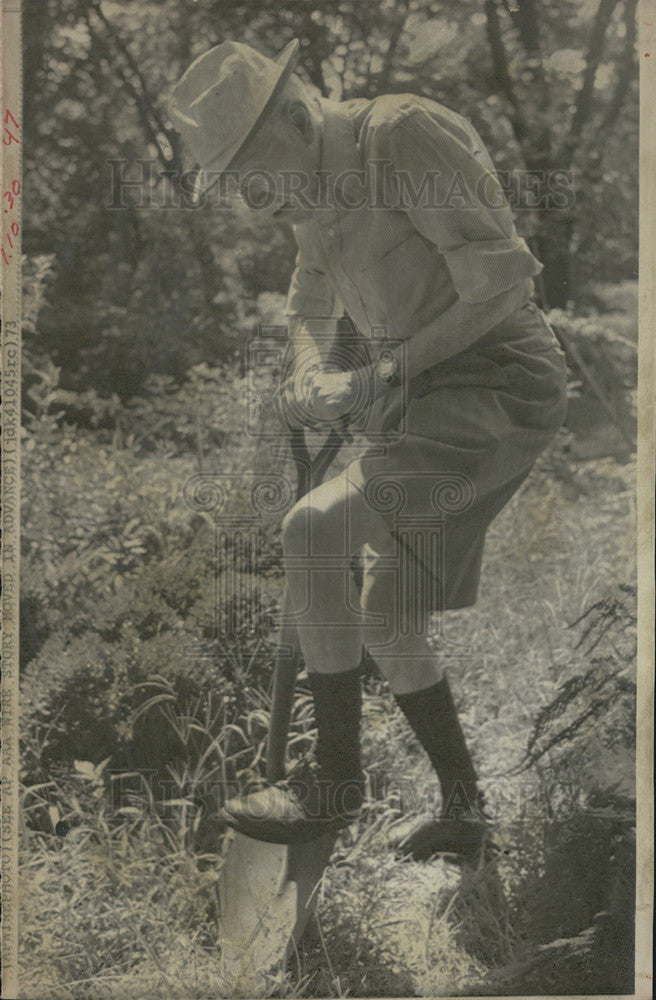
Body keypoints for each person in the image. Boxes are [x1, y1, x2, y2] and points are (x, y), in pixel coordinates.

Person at [169, 38, 568, 865]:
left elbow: (504, 287)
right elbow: (310, 295)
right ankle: (466, 814)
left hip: (497, 379)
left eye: (249, 169)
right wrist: (318, 370)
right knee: (388, 619)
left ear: (294, 113)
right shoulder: (309, 184)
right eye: (233, 184)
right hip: (416, 393)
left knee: (310, 530)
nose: (248, 201)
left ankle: (334, 783)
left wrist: (378, 372)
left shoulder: (401, 137)